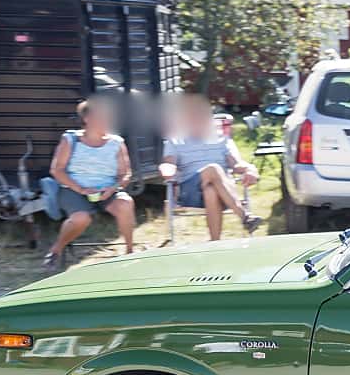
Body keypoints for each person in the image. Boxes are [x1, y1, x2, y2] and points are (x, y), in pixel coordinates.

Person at [43, 97, 135, 269]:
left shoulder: (116, 143)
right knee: (81, 219)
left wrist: (113, 188)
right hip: (73, 189)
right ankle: (56, 250)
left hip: (107, 190)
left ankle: (130, 252)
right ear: (87, 119)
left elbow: (125, 174)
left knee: (125, 203)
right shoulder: (70, 140)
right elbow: (57, 170)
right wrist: (80, 189)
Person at [157, 92, 262, 241]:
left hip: (222, 193)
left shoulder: (222, 139)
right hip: (190, 192)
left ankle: (215, 242)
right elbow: (169, 162)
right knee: (213, 169)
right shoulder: (176, 140)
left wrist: (250, 169)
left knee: (211, 190)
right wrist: (166, 168)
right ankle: (244, 216)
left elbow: (236, 164)